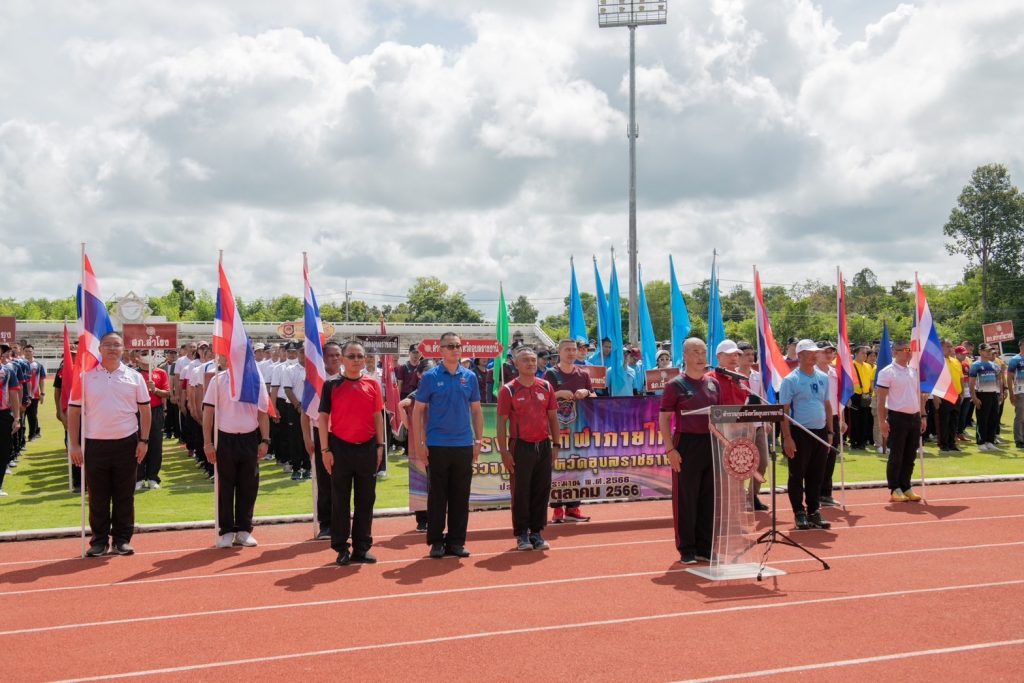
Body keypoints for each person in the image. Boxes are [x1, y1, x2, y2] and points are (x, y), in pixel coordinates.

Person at [67, 332, 151, 556]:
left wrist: (144, 440)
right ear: (100, 348)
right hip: (95, 443)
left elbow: (145, 410)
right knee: (98, 496)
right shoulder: (85, 377)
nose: (112, 348)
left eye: (117, 345)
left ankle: (122, 540)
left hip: (127, 443)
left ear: (123, 349)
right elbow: (74, 412)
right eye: (108, 345)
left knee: (125, 495)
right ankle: (99, 541)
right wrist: (74, 445)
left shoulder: (135, 377)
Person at [412, 332, 484, 559]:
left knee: (460, 496)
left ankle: (456, 541)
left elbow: (476, 410)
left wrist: (478, 441)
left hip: (463, 444)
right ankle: (436, 541)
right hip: (437, 445)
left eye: (458, 345)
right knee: (437, 496)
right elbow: (418, 410)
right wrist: (420, 443)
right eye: (450, 346)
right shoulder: (430, 377)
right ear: (441, 349)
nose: (455, 349)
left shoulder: (470, 377)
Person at [318, 340, 386, 566]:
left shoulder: (372, 384)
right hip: (340, 448)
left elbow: (378, 416)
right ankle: (341, 548)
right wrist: (325, 449)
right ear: (342, 359)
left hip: (367, 448)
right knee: (340, 501)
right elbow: (323, 418)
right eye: (351, 356)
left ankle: (362, 547)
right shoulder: (331, 385)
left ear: (365, 359)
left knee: (366, 500)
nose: (356, 360)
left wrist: (380, 446)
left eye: (360, 356)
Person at [659, 338, 720, 565]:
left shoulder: (714, 384)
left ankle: (705, 547)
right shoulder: (674, 385)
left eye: (703, 352)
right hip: (686, 443)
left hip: (711, 444)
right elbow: (664, 418)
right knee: (686, 498)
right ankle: (687, 548)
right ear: (685, 355)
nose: (701, 356)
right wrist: (670, 449)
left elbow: (721, 415)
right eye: (695, 352)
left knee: (708, 498)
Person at [202, 353, 271, 548]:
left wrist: (265, 440)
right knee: (225, 486)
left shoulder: (254, 380)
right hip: (225, 439)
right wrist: (207, 443)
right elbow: (208, 413)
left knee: (248, 486)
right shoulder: (217, 381)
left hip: (249, 439)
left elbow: (263, 412)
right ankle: (226, 531)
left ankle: (243, 530)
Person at [497, 347, 559, 551]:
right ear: (516, 364)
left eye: (533, 360)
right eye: (525, 360)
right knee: (521, 491)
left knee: (541, 490)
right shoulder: (508, 389)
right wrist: (504, 452)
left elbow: (553, 418)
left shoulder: (546, 386)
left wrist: (556, 444)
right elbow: (501, 422)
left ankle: (537, 533)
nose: (530, 363)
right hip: (520, 446)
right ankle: (522, 534)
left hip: (543, 445)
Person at [779, 339, 832, 530]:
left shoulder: (823, 377)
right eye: (810, 353)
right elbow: (784, 411)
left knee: (816, 474)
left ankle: (814, 511)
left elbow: (827, 405)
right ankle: (799, 512)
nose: (814, 356)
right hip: (799, 432)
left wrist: (830, 432)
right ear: (800, 355)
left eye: (815, 352)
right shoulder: (790, 380)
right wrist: (787, 438)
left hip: (820, 432)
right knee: (797, 474)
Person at [543, 339, 594, 523]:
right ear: (559, 352)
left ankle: (573, 507)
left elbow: (594, 396)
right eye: (567, 350)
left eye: (574, 349)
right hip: (556, 429)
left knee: (576, 465)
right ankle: (557, 508)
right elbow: (542, 397)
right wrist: (558, 394)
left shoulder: (583, 374)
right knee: (557, 466)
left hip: (579, 429)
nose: (572, 353)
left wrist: (586, 393)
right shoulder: (550, 373)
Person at [875, 340, 927, 502]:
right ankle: (895, 488)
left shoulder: (913, 371)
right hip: (897, 417)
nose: (908, 352)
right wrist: (882, 421)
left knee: (910, 455)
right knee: (896, 455)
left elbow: (919, 395)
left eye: (909, 349)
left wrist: (923, 415)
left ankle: (906, 486)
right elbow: (881, 399)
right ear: (895, 352)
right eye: (904, 350)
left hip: (914, 417)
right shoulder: (887, 372)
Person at [302, 340, 342, 540]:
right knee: (325, 480)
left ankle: (342, 521)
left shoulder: (348, 378)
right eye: (330, 355)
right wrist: (307, 437)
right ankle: (326, 524)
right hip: (322, 434)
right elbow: (305, 412)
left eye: (337, 355)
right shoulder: (315, 379)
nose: (334, 358)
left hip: (345, 435)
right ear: (322, 358)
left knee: (343, 479)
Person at [398, 359, 434, 532]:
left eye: (433, 371)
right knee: (420, 480)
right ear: (419, 374)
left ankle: (436, 517)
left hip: (439, 443)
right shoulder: (414, 396)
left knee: (436, 482)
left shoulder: (440, 392)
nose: (429, 374)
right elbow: (406, 422)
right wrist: (401, 409)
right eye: (426, 371)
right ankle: (422, 519)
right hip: (418, 445)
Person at [737, 341, 770, 511]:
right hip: (739, 427)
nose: (751, 357)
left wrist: (767, 421)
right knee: (740, 464)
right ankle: (738, 496)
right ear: (738, 357)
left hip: (758, 425)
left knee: (762, 462)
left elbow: (764, 399)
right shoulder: (733, 376)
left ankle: (752, 495)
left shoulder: (758, 376)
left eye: (752, 354)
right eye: (747, 354)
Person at [134, 351, 170, 490]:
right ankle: (138, 478)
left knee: (155, 445)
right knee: (138, 443)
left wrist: (155, 390)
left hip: (155, 411)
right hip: (137, 412)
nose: (148, 355)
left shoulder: (160, 373)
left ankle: (153, 477)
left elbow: (167, 393)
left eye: (150, 352)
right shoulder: (133, 374)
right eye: (144, 353)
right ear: (137, 357)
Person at [815, 340, 842, 507]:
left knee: (831, 456)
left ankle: (826, 493)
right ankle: (814, 493)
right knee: (818, 457)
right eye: (825, 351)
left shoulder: (834, 373)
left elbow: (838, 397)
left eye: (831, 351)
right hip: (817, 418)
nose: (829, 354)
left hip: (834, 417)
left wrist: (842, 418)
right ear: (816, 353)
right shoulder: (813, 373)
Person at [969, 343, 1005, 451]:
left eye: (990, 351)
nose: (989, 352)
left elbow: (999, 380)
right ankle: (981, 442)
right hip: (982, 394)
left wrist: (1001, 393)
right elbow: (971, 382)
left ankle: (990, 441)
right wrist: (974, 397)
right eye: (987, 350)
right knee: (982, 419)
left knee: (993, 419)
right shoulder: (975, 365)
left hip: (994, 394)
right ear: (980, 351)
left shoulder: (995, 365)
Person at [0, 345, 22, 497]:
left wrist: (17, 418)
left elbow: (14, 395)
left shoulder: (8, 371)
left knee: (2, 452)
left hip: (3, 415)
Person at [937, 339, 964, 452]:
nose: (950, 349)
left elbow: (961, 377)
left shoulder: (956, 361)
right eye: (947, 346)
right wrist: (936, 396)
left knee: (954, 420)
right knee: (944, 421)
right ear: (941, 347)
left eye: (951, 346)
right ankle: (943, 444)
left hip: (956, 395)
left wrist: (962, 393)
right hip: (944, 394)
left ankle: (952, 443)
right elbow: (935, 379)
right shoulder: (937, 361)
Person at [22, 344, 45, 440]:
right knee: (21, 417)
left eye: (30, 351)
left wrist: (42, 393)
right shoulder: (20, 364)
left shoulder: (38, 365)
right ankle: (21, 437)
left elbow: (42, 379)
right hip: (22, 396)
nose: (28, 353)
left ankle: (32, 435)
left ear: (33, 352)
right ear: (23, 352)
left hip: (34, 396)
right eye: (26, 351)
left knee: (32, 416)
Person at [1007, 339, 1024, 448]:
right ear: (1021, 346)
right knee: (1020, 416)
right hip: (1020, 391)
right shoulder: (1015, 359)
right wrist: (1011, 393)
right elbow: (1009, 377)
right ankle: (1019, 440)